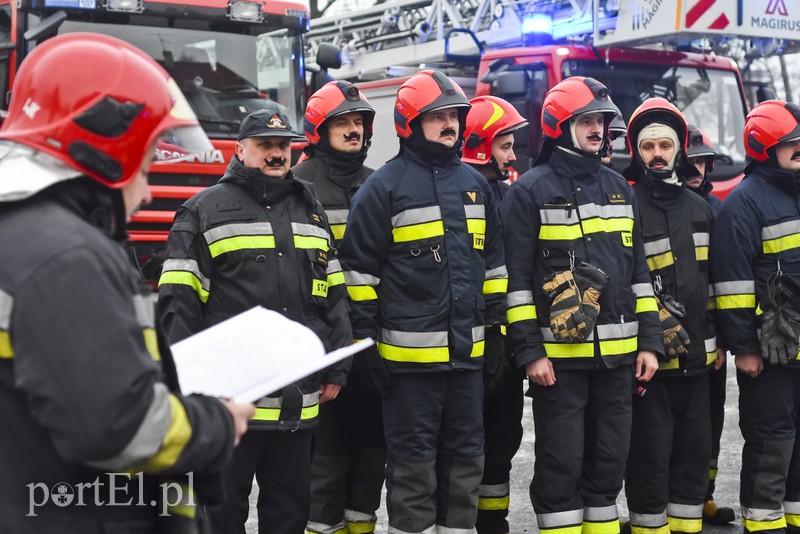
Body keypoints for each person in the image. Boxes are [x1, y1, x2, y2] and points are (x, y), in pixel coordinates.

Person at [0, 33, 254, 533]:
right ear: (110, 151)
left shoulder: (20, 235)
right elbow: (121, 429)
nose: (150, 185)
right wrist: (219, 423)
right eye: (151, 155)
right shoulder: (68, 258)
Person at [157, 109, 352, 534]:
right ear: (240, 150)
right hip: (229, 405)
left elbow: (334, 294)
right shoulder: (203, 210)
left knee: (289, 515)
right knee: (220, 516)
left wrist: (337, 365)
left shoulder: (310, 209)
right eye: (265, 145)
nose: (277, 153)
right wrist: (186, 387)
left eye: (283, 145)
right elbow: (178, 305)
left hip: (297, 401)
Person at [338, 69, 507, 534]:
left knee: (465, 463)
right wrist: (365, 345)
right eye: (438, 117)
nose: (450, 124)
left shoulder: (476, 186)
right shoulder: (382, 189)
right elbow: (358, 276)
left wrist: (497, 333)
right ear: (410, 123)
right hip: (408, 369)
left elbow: (494, 268)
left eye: (454, 116)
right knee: (413, 469)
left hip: (467, 361)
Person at [501, 76, 662, 534]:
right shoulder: (529, 191)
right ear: (560, 125)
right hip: (559, 363)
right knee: (561, 462)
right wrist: (530, 352)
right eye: (586, 121)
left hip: (618, 359)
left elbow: (639, 273)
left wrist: (649, 343)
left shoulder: (620, 187)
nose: (597, 129)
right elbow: (515, 283)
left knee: (610, 462)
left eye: (601, 122)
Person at [293, 81, 386, 534]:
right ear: (319, 129)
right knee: (326, 456)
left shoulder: (377, 181)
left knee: (372, 450)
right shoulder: (297, 185)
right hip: (323, 338)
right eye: (342, 123)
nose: (353, 130)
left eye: (358, 123)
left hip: (372, 335)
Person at [621, 99, 717, 534]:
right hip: (651, 365)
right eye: (648, 147)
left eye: (664, 145)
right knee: (649, 456)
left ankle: (686, 527)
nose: (657, 154)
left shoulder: (701, 209)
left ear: (679, 150)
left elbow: (715, 284)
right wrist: (648, 332)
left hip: (699, 362)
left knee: (694, 455)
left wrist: (718, 342)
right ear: (636, 152)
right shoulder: (626, 205)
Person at [710, 100, 800, 534]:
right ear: (764, 147)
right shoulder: (744, 204)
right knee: (772, 438)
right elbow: (731, 284)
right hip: (769, 352)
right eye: (791, 143)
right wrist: (744, 348)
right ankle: (764, 522)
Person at [462, 94, 527, 534]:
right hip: (466, 347)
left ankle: (492, 523)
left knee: (502, 441)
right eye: (505, 146)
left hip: (504, 345)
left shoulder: (508, 194)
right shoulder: (458, 194)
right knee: (466, 446)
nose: (513, 155)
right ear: (481, 146)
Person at [684, 123, 736, 526]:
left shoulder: (716, 210)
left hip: (709, 338)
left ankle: (705, 495)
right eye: (691, 161)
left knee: (710, 421)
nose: (697, 169)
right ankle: (673, 499)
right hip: (670, 337)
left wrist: (722, 339)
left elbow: (724, 280)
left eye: (703, 162)